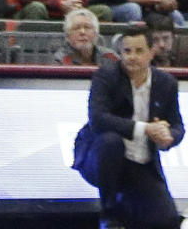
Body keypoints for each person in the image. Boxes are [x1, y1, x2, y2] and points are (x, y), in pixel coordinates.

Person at [73, 23, 184, 229]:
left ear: (152, 53)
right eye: (127, 51)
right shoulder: (106, 76)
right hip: (97, 158)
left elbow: (178, 126)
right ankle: (108, 212)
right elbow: (97, 119)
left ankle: (129, 210)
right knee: (111, 141)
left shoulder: (166, 83)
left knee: (166, 221)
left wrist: (168, 137)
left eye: (139, 51)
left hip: (139, 162)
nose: (132, 57)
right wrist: (145, 129)